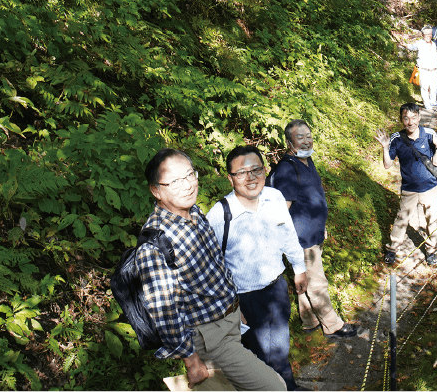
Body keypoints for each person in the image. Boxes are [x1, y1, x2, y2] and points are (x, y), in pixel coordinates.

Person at [136, 148, 286, 392]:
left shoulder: (194, 213)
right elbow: (165, 311)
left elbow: (217, 265)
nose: (186, 185)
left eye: (189, 175)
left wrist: (234, 305)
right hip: (209, 337)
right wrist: (191, 360)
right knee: (274, 387)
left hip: (229, 321)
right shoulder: (156, 244)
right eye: (174, 181)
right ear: (156, 190)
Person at [206, 145, 309, 392]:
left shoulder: (274, 197)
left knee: (281, 347)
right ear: (230, 178)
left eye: (256, 169)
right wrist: (230, 306)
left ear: (265, 171)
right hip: (244, 299)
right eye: (241, 173)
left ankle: (289, 387)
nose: (250, 178)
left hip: (276, 289)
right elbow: (211, 268)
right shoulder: (220, 215)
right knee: (258, 358)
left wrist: (299, 267)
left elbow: (288, 233)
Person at [269, 120, 358, 339]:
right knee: (317, 282)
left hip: (313, 233)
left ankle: (309, 321)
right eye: (300, 137)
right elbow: (282, 211)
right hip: (301, 239)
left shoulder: (307, 160)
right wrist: (288, 241)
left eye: (308, 135)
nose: (307, 140)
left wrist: (322, 227)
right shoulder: (287, 169)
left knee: (306, 280)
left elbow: (313, 198)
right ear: (289, 142)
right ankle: (333, 325)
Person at [374, 103, 437, 266]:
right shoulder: (396, 138)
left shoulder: (429, 134)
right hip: (409, 188)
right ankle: (392, 249)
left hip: (430, 187)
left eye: (414, 118)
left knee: (432, 220)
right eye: (406, 118)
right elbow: (387, 165)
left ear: (419, 117)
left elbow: (436, 164)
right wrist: (386, 148)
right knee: (402, 218)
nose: (410, 122)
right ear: (401, 120)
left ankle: (432, 251)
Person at [400, 26, 437, 110]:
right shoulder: (420, 43)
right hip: (423, 70)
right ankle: (427, 103)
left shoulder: (434, 44)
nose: (429, 36)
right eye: (426, 34)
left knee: (434, 86)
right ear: (422, 35)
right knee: (424, 87)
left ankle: (433, 101)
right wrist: (404, 44)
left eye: (430, 34)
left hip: (434, 70)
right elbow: (412, 47)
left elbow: (436, 57)